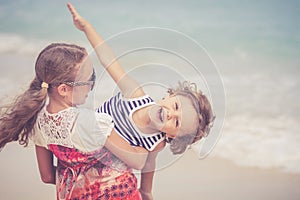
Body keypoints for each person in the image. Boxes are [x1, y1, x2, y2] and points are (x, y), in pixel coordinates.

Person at [67, 3, 214, 200]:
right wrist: (87, 28)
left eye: (176, 122)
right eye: (176, 106)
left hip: (104, 175)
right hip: (81, 148)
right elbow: (108, 59)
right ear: (169, 96)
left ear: (172, 136)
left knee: (138, 161)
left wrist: (146, 192)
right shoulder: (135, 94)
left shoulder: (156, 142)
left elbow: (145, 165)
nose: (171, 114)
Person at [0, 42, 149, 199]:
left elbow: (47, 177)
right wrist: (146, 137)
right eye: (88, 80)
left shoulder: (39, 122)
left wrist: (80, 178)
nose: (91, 86)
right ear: (63, 89)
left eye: (93, 77)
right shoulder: (92, 123)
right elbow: (138, 161)